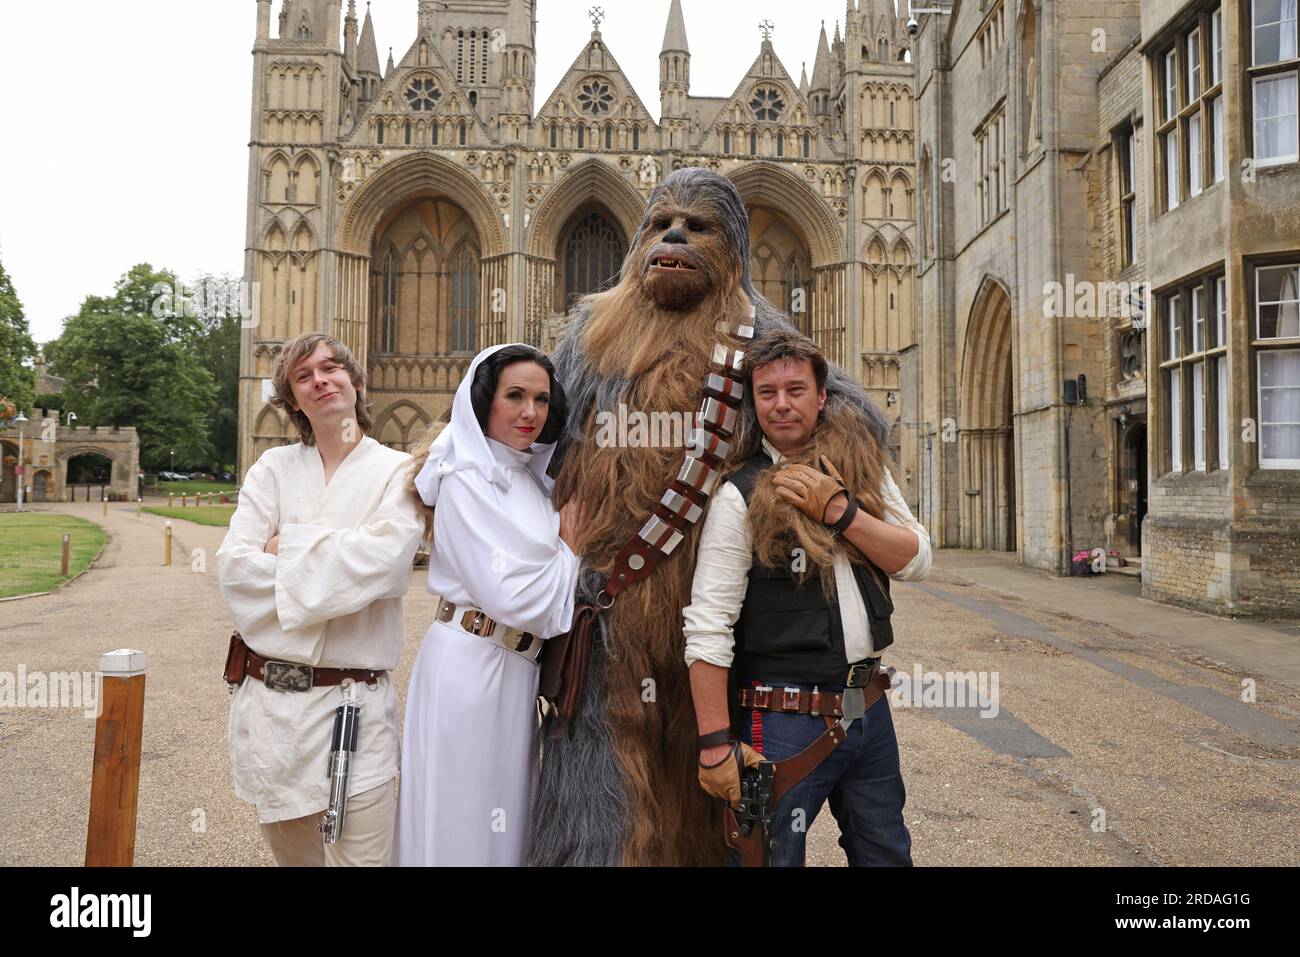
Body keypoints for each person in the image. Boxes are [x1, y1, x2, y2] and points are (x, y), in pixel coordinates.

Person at [683, 328, 932, 867]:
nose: (781, 404)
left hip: (867, 708)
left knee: (886, 854)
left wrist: (841, 512)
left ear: (821, 397)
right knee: (769, 859)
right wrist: (714, 745)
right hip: (781, 719)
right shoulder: (738, 494)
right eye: (767, 393)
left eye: (795, 390)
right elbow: (708, 626)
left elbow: (915, 559)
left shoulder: (862, 469)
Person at [216, 332, 423, 867]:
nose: (320, 380)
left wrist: (287, 547)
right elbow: (236, 570)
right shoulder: (273, 470)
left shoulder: (396, 472)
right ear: (292, 399)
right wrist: (335, 568)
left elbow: (386, 562)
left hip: (353, 705)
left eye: (331, 368)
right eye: (303, 377)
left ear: (354, 381)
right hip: (272, 711)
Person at [394, 343, 586, 866]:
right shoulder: (464, 475)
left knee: (505, 817)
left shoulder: (529, 477)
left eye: (542, 400)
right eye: (515, 396)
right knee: (464, 816)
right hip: (470, 664)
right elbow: (513, 597)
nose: (530, 412)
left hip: (516, 669)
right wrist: (569, 549)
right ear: (484, 401)